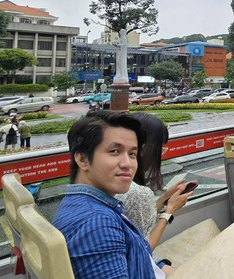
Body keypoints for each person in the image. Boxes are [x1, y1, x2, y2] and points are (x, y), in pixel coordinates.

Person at [52, 110, 173, 278]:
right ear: (82, 159)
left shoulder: (82, 202)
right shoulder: (97, 223)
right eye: (114, 151)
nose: (128, 164)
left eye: (132, 154)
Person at [117, 112, 194, 250]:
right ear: (144, 149)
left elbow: (138, 217)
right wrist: (169, 211)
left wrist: (165, 198)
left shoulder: (114, 183)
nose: (162, 154)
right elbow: (143, 252)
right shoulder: (137, 193)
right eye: (161, 148)